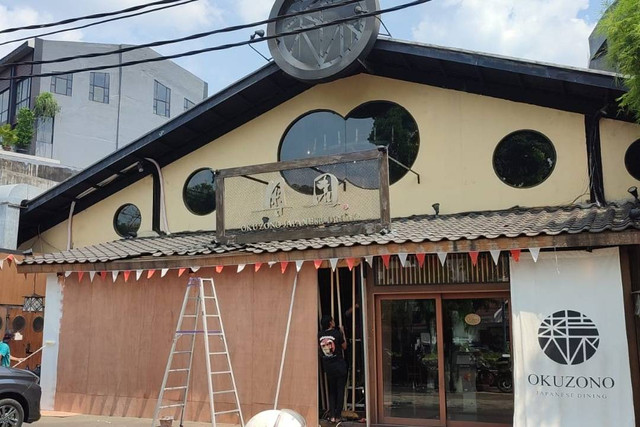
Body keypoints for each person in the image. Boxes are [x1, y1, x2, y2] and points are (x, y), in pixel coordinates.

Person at [319, 315, 347, 423]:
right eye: (333, 321)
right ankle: (339, 415)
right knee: (340, 390)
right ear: (330, 323)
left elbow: (319, 349)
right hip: (339, 366)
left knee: (332, 391)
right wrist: (343, 332)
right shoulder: (337, 333)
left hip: (328, 366)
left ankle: (332, 416)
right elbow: (344, 346)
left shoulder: (320, 335)